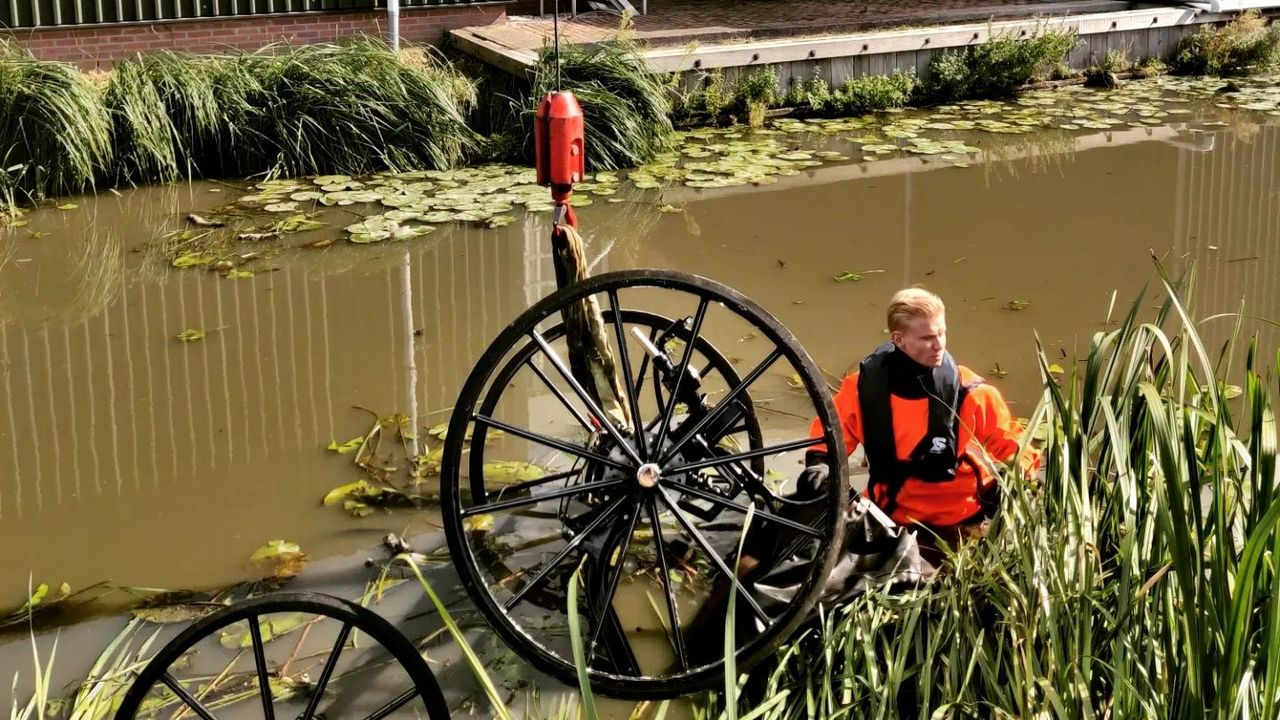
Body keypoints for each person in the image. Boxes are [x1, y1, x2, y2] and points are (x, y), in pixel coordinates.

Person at [799, 287, 1038, 559]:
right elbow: (826, 441)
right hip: (889, 516)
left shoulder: (970, 392)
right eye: (926, 338)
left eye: (942, 333)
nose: (939, 345)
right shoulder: (862, 389)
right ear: (898, 339)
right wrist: (820, 469)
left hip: (960, 519)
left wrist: (1019, 477)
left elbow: (1017, 448)